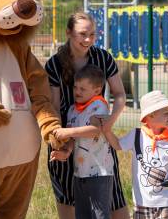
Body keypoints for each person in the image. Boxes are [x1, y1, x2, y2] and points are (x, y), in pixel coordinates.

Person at [45, 12, 129, 219]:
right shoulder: (54, 65)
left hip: (98, 143)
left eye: (92, 34)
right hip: (66, 138)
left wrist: (109, 123)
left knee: (113, 198)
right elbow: (55, 108)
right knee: (69, 199)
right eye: (82, 34)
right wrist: (61, 141)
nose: (88, 40)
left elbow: (120, 95)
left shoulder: (103, 57)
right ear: (68, 33)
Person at [102, 90, 168, 219]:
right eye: (166, 113)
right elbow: (118, 145)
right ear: (151, 115)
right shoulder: (136, 135)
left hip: (167, 201)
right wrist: (107, 131)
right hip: (142, 202)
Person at [51, 65, 114, 219]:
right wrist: (65, 152)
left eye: (82, 89)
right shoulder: (73, 109)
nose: (77, 92)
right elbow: (73, 139)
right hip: (80, 173)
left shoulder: (100, 105)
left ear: (97, 90)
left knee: (100, 215)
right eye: (75, 87)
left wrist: (68, 131)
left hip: (100, 173)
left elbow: (96, 129)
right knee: (82, 214)